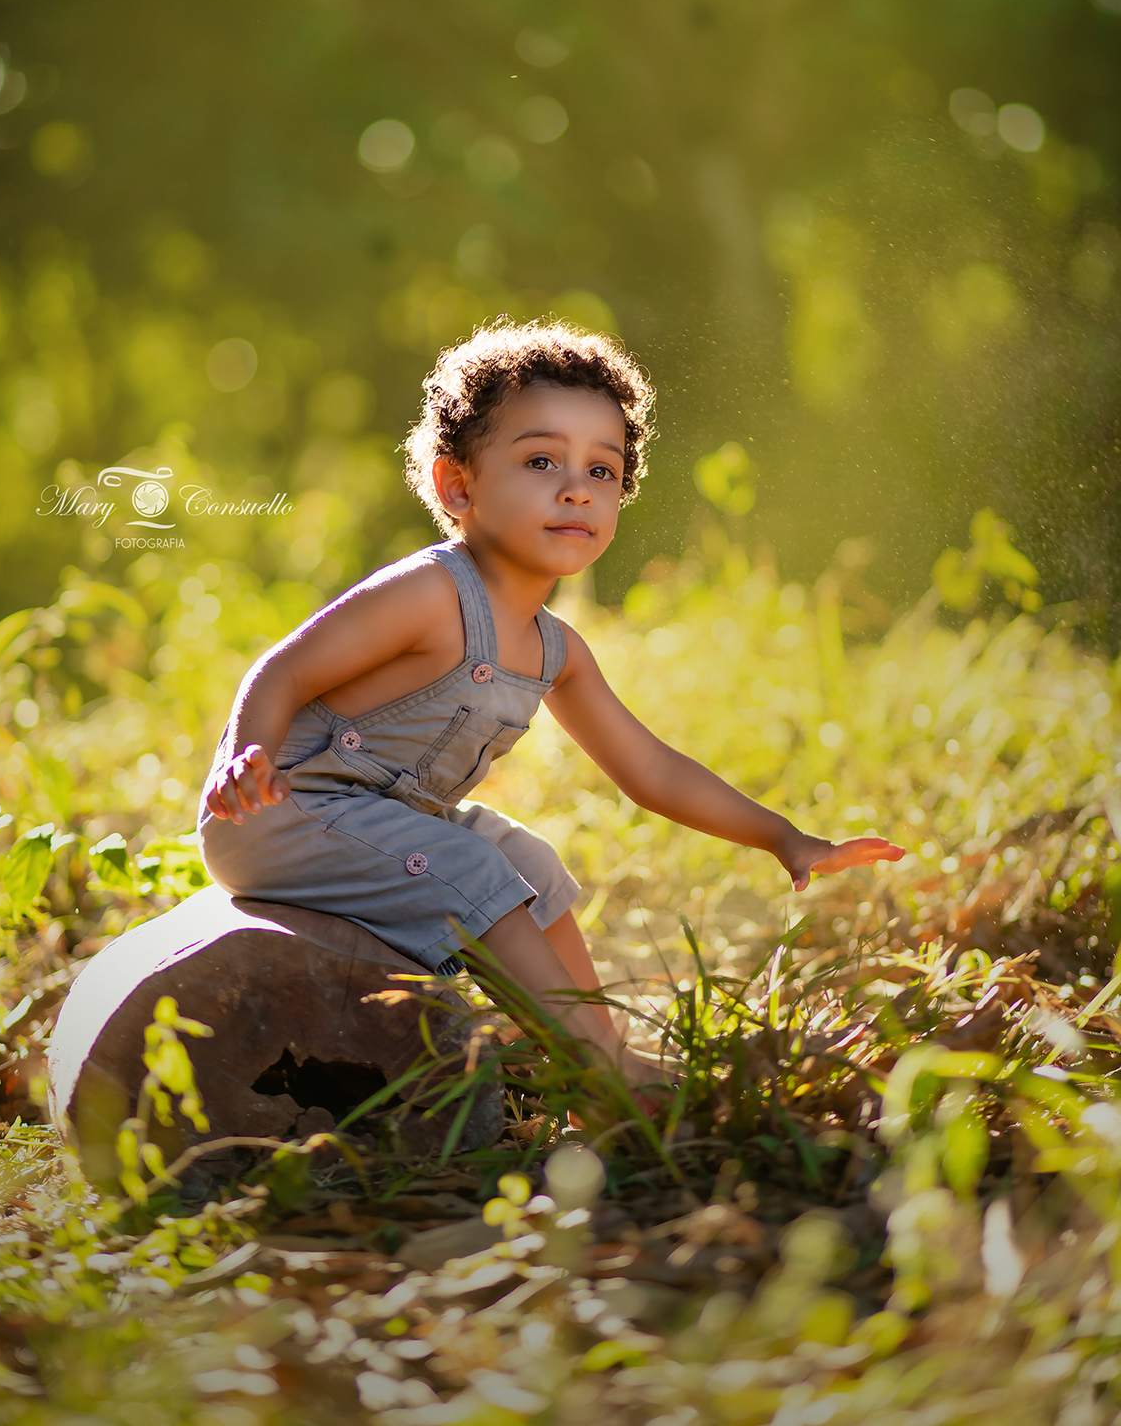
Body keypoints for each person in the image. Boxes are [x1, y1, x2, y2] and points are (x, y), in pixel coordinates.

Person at [199, 320, 902, 1090]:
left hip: (388, 820)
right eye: (540, 460)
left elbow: (651, 770)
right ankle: (603, 1071)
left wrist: (784, 838)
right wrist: (247, 758)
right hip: (281, 814)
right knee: (472, 866)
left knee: (527, 861)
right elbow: (282, 670)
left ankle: (587, 1056)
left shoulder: (555, 650)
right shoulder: (430, 593)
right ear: (458, 486)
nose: (575, 487)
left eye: (601, 471)